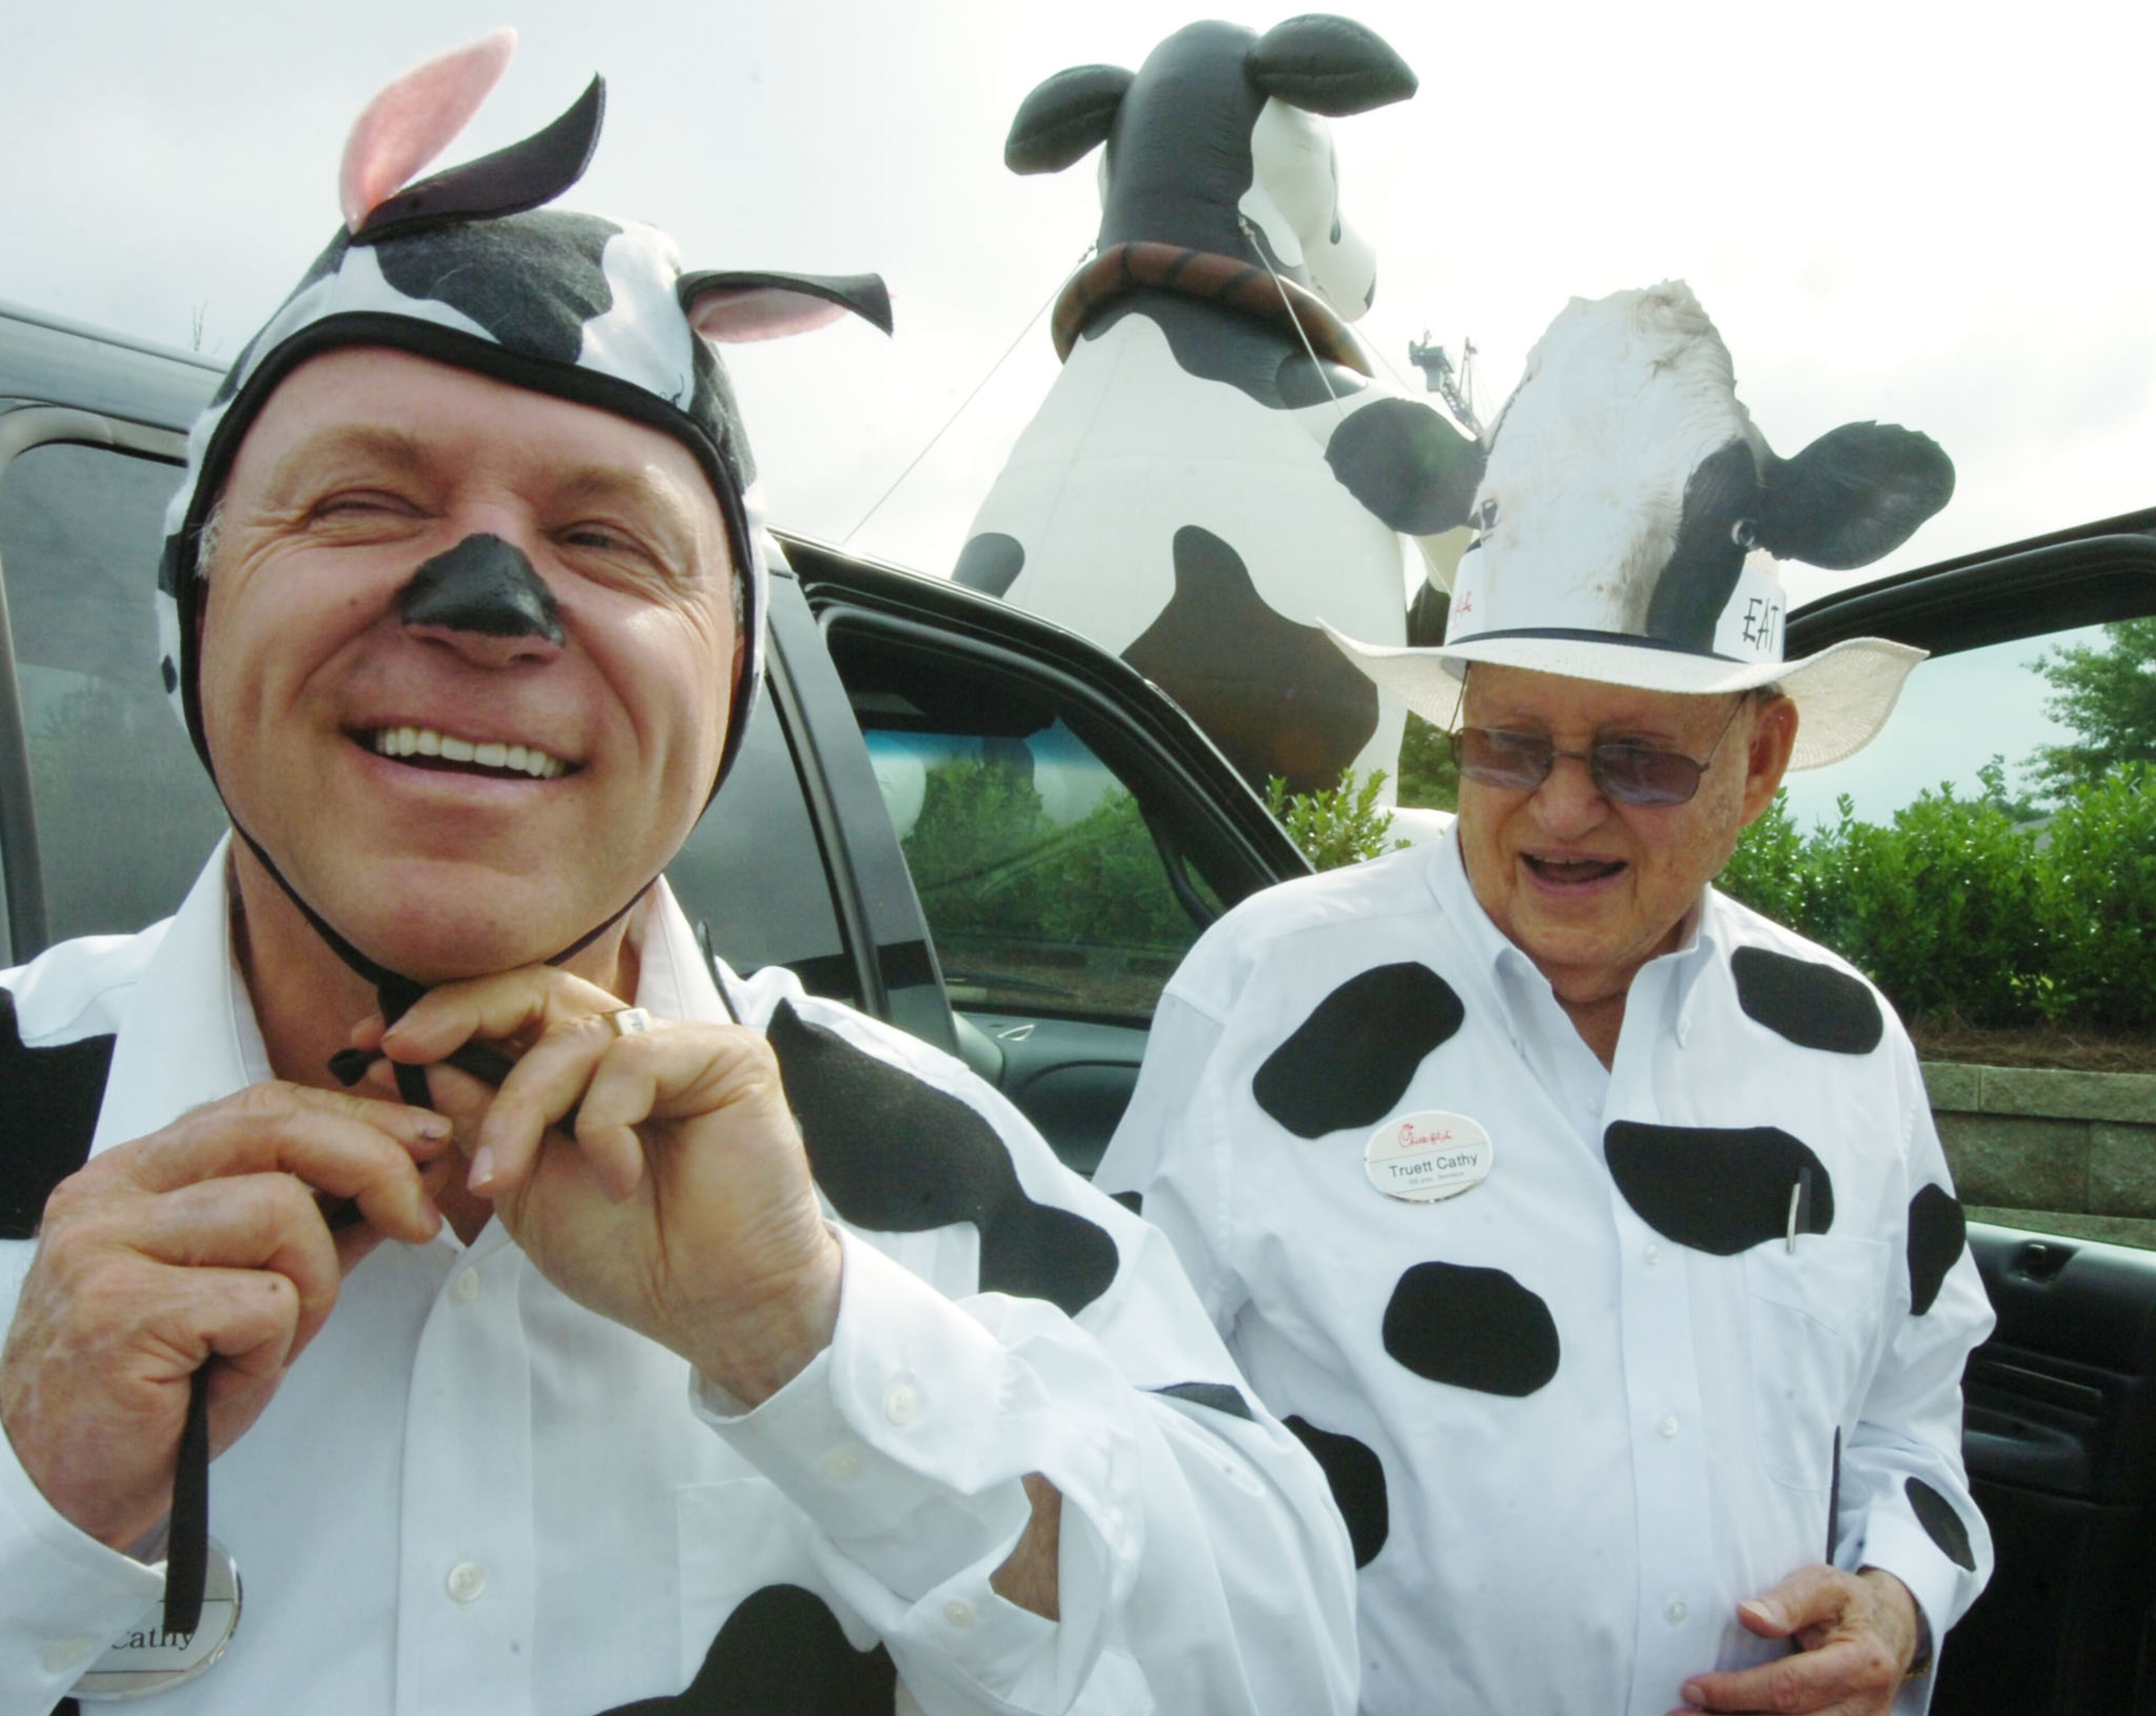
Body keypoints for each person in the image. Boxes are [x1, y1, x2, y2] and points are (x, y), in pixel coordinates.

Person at [0, 36, 1356, 1715]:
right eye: (360, 499)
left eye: (609, 540)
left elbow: (1284, 1664)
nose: (487, 601)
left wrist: (820, 1344)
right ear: (193, 600)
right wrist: (27, 1503)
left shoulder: (937, 1179)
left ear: (725, 676)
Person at [1097, 281, 1994, 1716]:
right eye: (1508, 744)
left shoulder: (1846, 1043)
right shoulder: (1266, 983)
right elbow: (1114, 1410)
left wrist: (1895, 1600)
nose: (1560, 812)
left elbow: (1909, 1409)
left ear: (1758, 762)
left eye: (1638, 755)